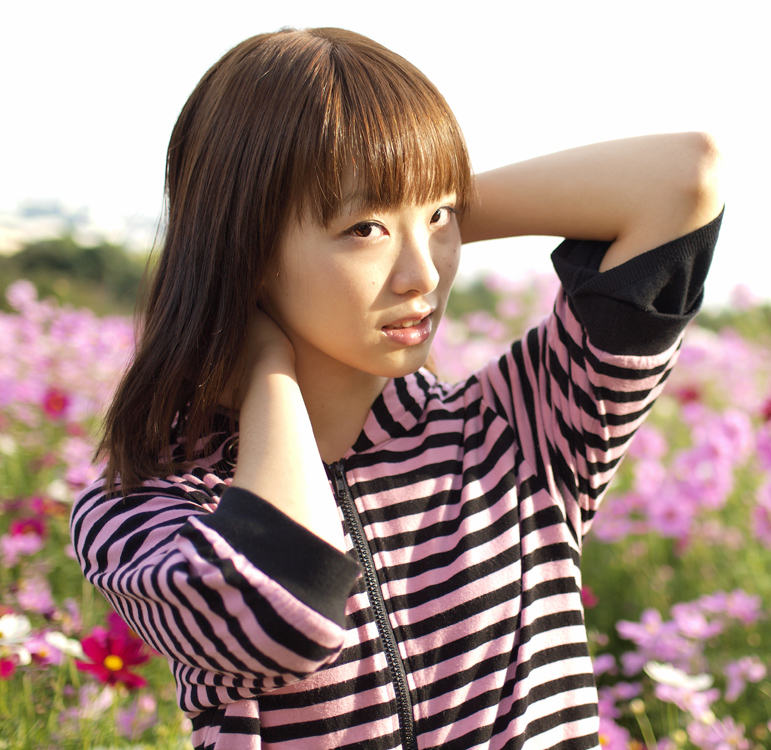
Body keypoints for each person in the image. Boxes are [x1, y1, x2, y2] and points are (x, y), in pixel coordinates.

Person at [71, 26, 723, 750]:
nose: (424, 275)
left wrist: (413, 193)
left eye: (442, 219)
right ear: (244, 248)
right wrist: (266, 372)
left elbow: (684, 178)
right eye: (364, 229)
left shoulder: (519, 430)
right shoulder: (146, 505)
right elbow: (282, 609)